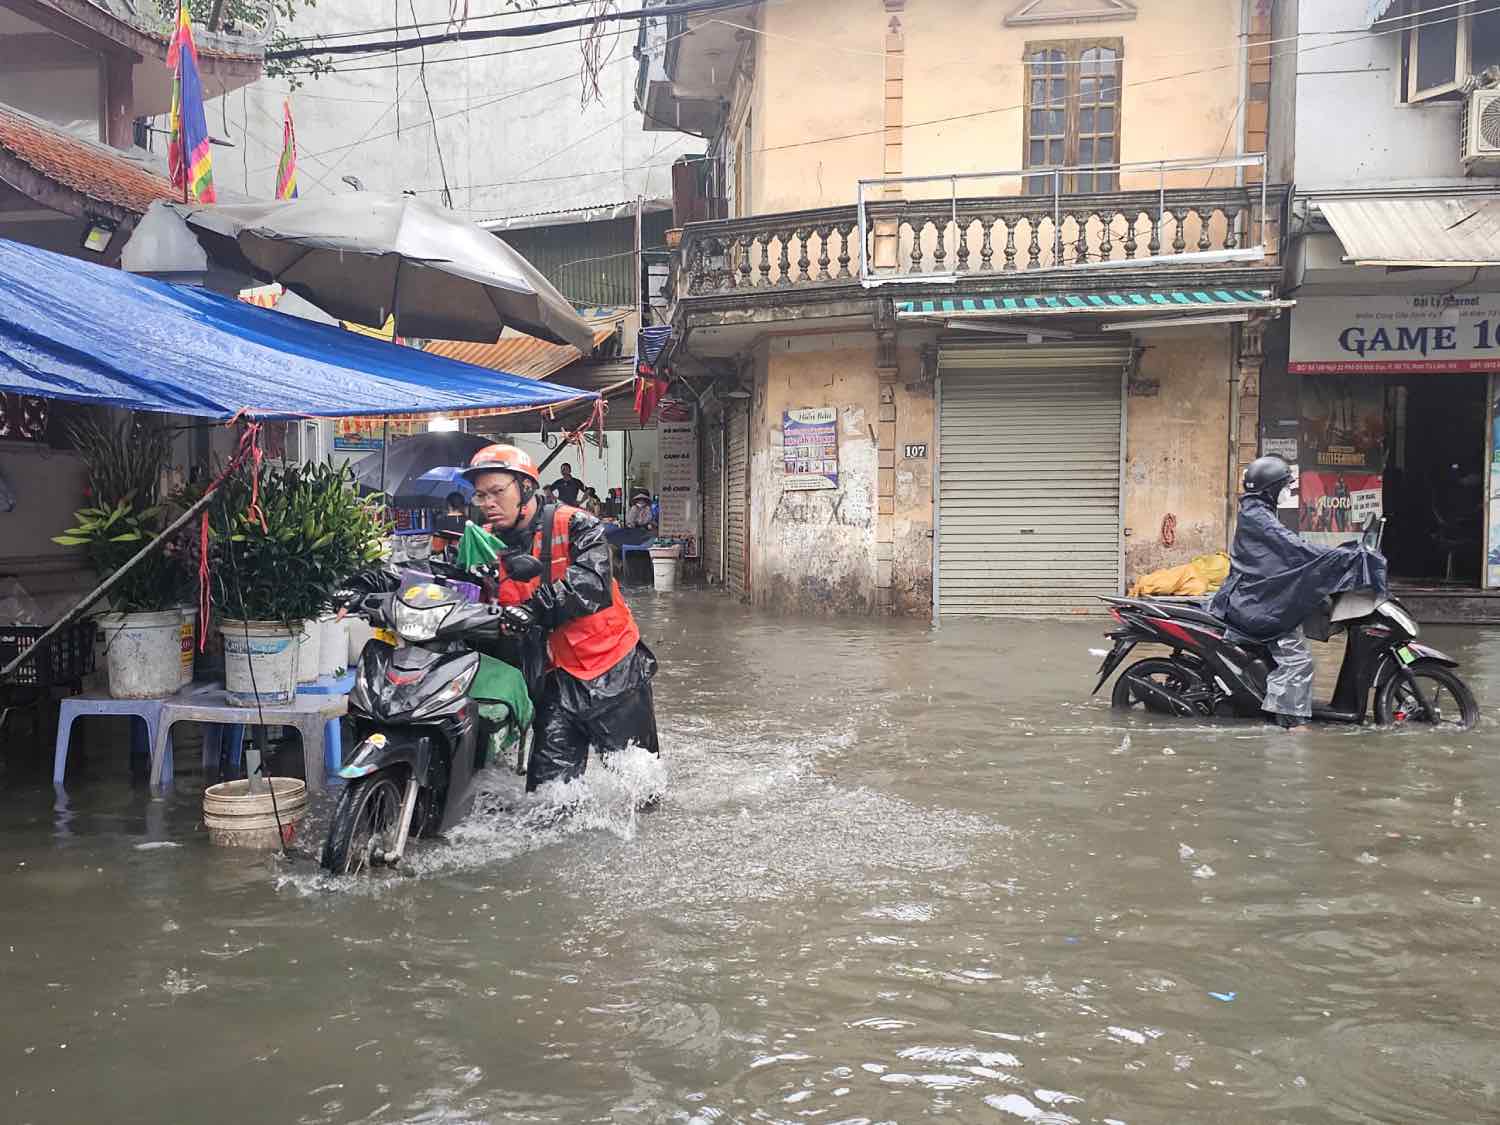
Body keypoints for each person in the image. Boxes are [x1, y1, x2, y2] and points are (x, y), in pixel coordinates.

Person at [463, 444, 660, 790]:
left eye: (497, 492)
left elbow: (592, 581)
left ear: (526, 488)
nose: (488, 503)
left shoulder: (576, 523)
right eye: (481, 496)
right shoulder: (487, 542)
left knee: (640, 785)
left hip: (611, 670)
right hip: (553, 679)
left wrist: (532, 608)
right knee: (549, 796)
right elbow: (462, 587)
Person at [1209, 454, 1387, 730]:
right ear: (1271, 489)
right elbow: (1295, 549)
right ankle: (1290, 724)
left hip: (1251, 596)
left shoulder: (1257, 511)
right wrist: (1343, 557)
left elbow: (1290, 548)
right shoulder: (1260, 517)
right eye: (1285, 487)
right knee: (1298, 660)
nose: (1288, 492)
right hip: (1255, 605)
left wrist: (1336, 553)